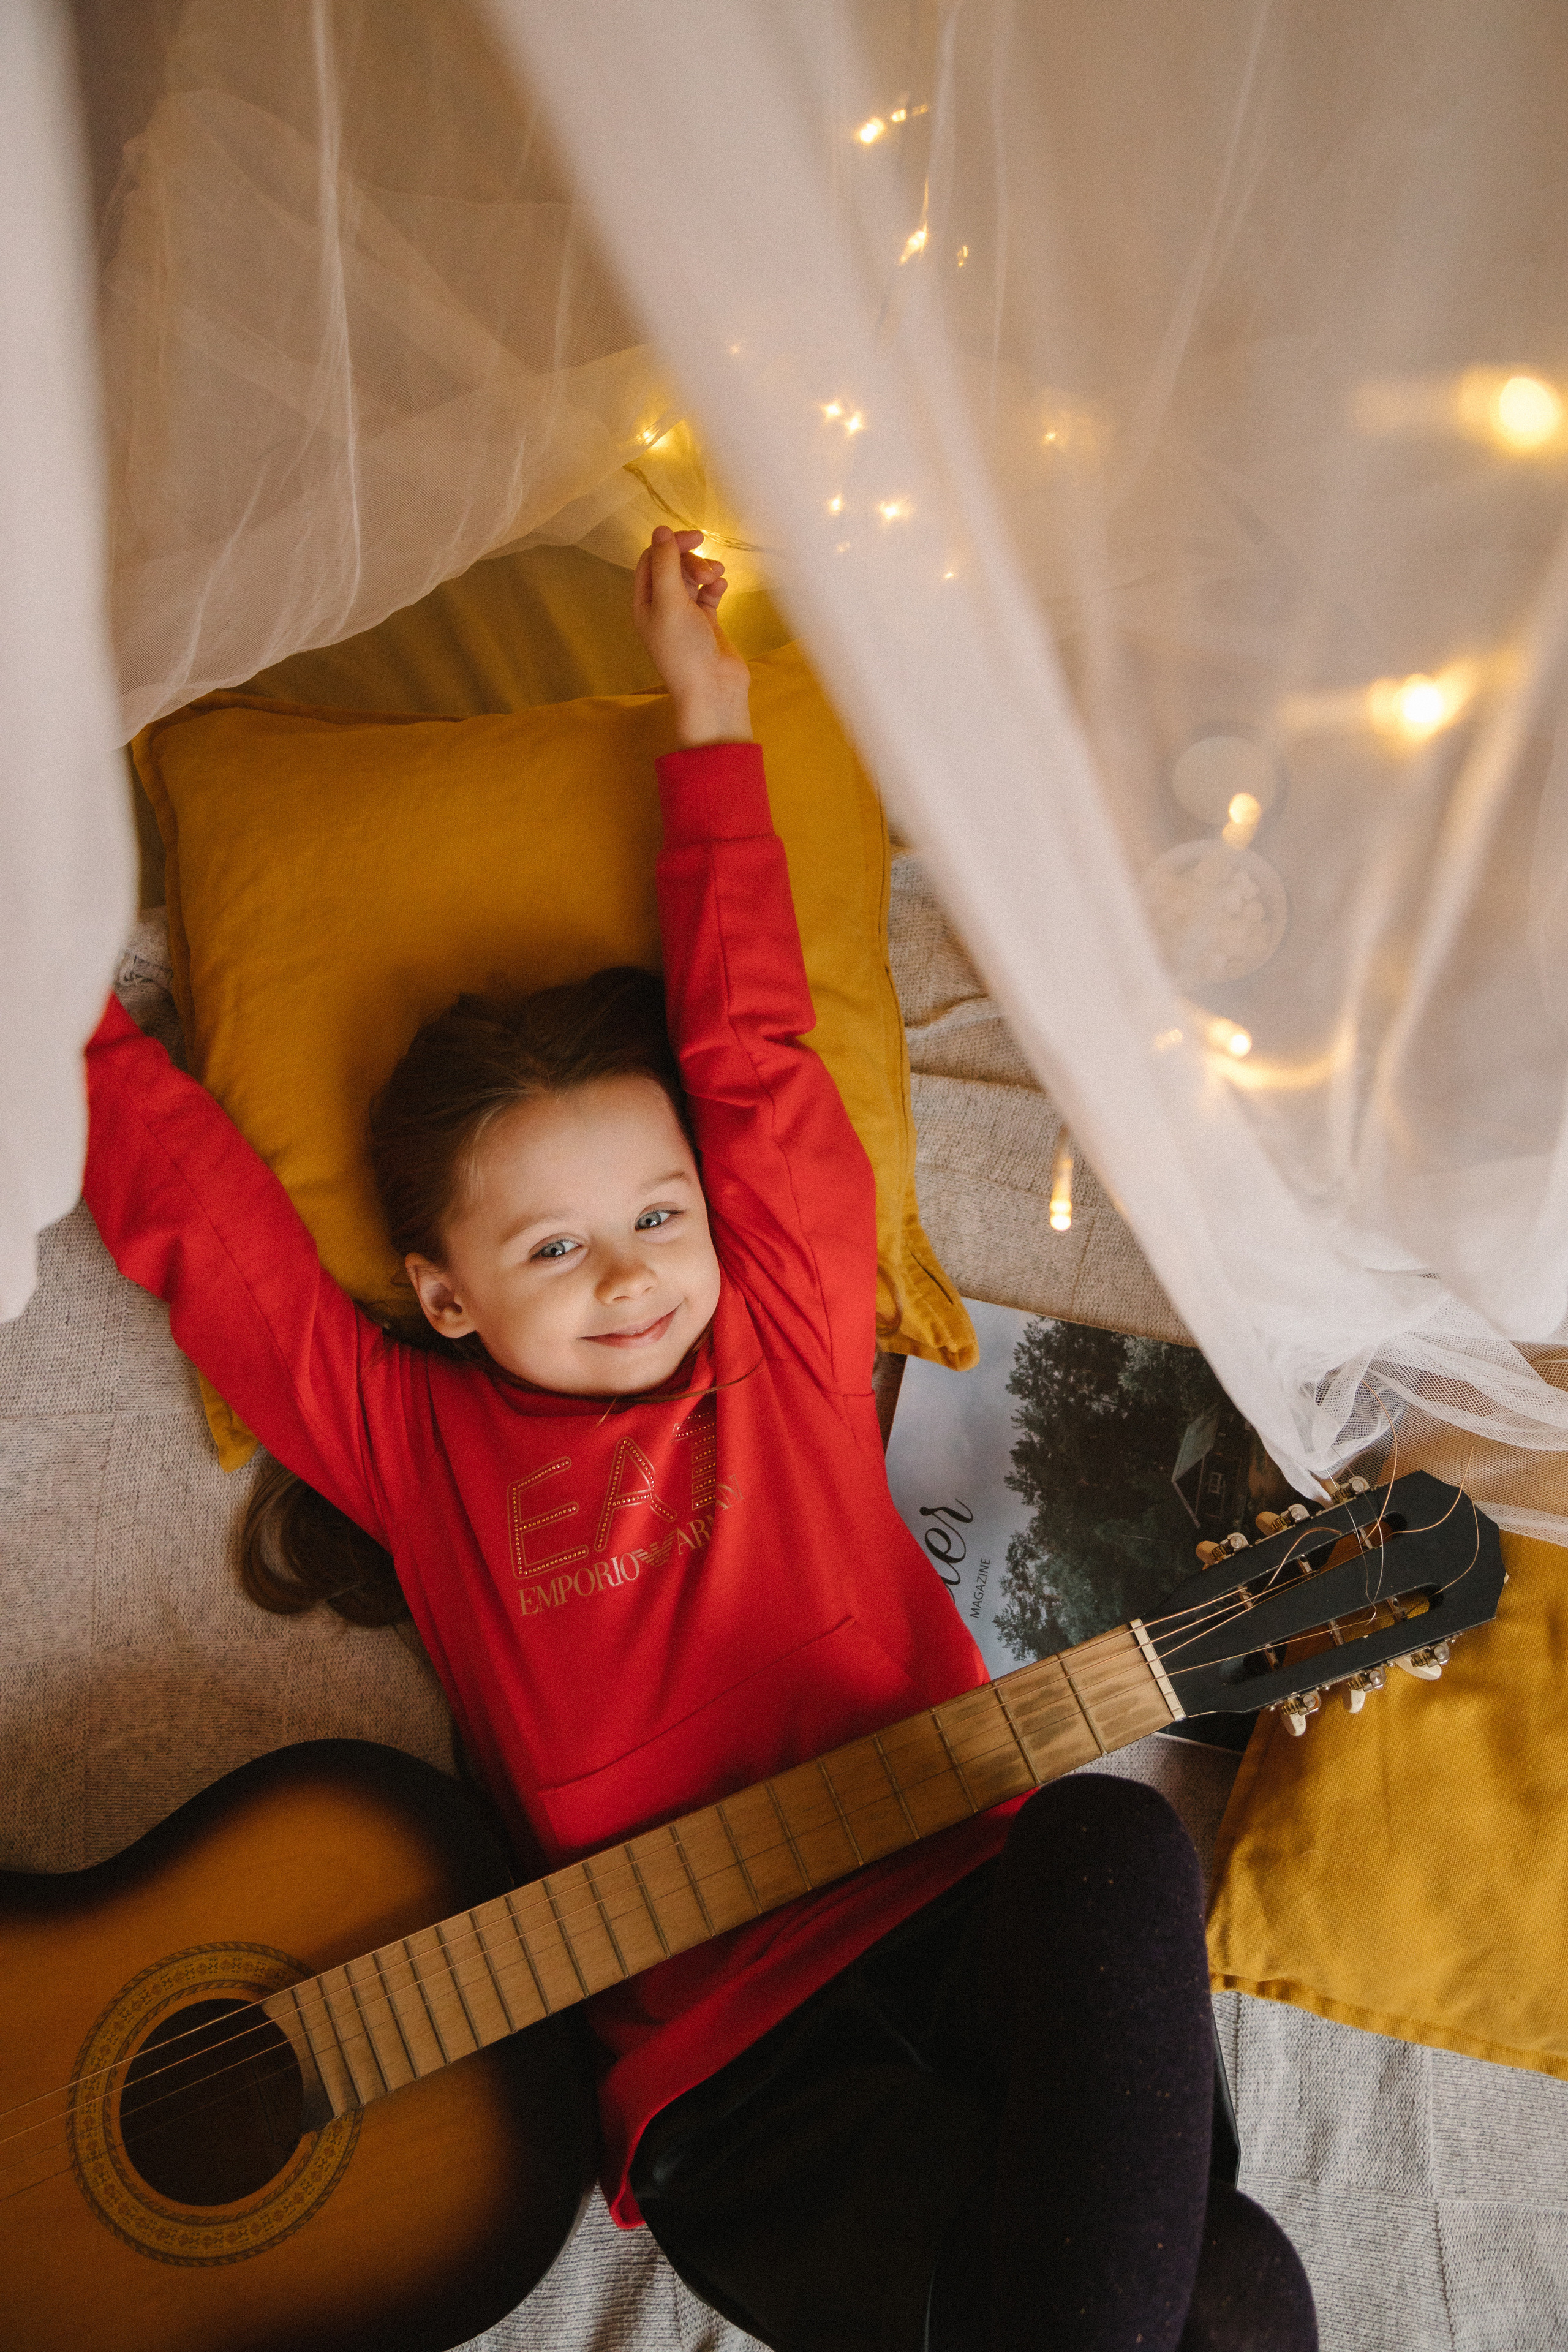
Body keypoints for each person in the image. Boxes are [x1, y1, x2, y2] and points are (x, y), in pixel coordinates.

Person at [81, 527, 1316, 2352]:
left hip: (963, 1920)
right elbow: (212, 1240)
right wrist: (55, 1005)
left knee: (1113, 1848)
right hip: (741, 2083)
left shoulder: (786, 1335)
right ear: (443, 1296)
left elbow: (755, 1059)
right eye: (550, 1248)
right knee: (1233, 2287)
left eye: (659, 1217)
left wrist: (713, 714)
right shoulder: (411, 1445)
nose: (628, 1274)